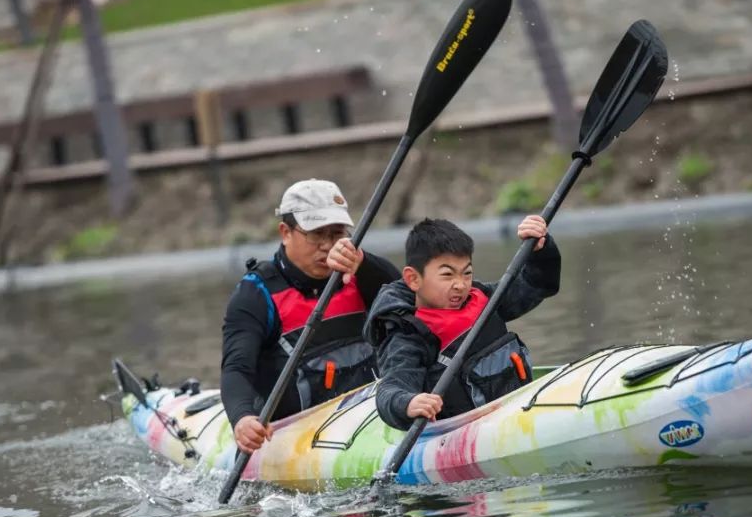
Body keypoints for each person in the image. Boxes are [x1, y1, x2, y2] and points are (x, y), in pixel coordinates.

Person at [222, 179, 399, 454]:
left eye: (337, 233)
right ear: (285, 232)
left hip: (369, 417)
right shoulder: (255, 294)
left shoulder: (363, 272)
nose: (328, 246)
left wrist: (365, 264)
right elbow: (236, 368)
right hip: (295, 432)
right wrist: (242, 417)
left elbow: (412, 309)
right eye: (316, 234)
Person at [362, 216, 560, 430]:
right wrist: (407, 403)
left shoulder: (483, 298)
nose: (460, 285)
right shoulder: (409, 334)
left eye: (466, 273)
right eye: (447, 275)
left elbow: (537, 285)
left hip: (516, 408)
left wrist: (541, 251)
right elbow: (391, 388)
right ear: (413, 279)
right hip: (463, 430)